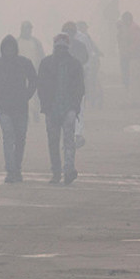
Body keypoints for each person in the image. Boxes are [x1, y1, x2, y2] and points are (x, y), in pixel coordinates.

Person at [37, 33, 85, 185]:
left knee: (66, 141)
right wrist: (45, 105)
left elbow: (79, 88)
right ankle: (58, 172)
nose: (61, 51)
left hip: (68, 108)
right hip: (52, 108)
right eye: (59, 48)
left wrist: (75, 106)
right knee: (55, 142)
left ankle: (67, 170)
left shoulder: (75, 65)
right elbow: (41, 87)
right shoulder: (46, 64)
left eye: (63, 48)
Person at [0, 34, 37, 183]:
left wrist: (27, 95)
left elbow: (34, 80)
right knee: (8, 137)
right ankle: (11, 170)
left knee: (20, 138)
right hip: (4, 107)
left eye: (11, 47)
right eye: (6, 48)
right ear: (2, 49)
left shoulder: (24, 63)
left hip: (20, 107)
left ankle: (16, 167)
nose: (8, 50)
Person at [16, 21, 45, 123]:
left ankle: (35, 113)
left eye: (29, 29)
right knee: (21, 94)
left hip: (33, 73)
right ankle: (25, 114)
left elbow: (41, 57)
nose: (28, 31)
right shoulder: (17, 42)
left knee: (35, 95)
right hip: (20, 74)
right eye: (26, 29)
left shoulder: (36, 43)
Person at [117, 11, 140, 106]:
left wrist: (128, 51)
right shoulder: (129, 28)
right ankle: (135, 99)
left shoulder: (134, 28)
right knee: (132, 78)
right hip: (130, 57)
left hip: (135, 57)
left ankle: (134, 100)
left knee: (133, 78)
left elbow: (137, 42)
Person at [76, 21, 104, 108]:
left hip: (89, 64)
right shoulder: (81, 38)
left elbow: (92, 48)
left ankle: (91, 100)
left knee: (90, 82)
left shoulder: (85, 37)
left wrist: (97, 53)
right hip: (85, 64)